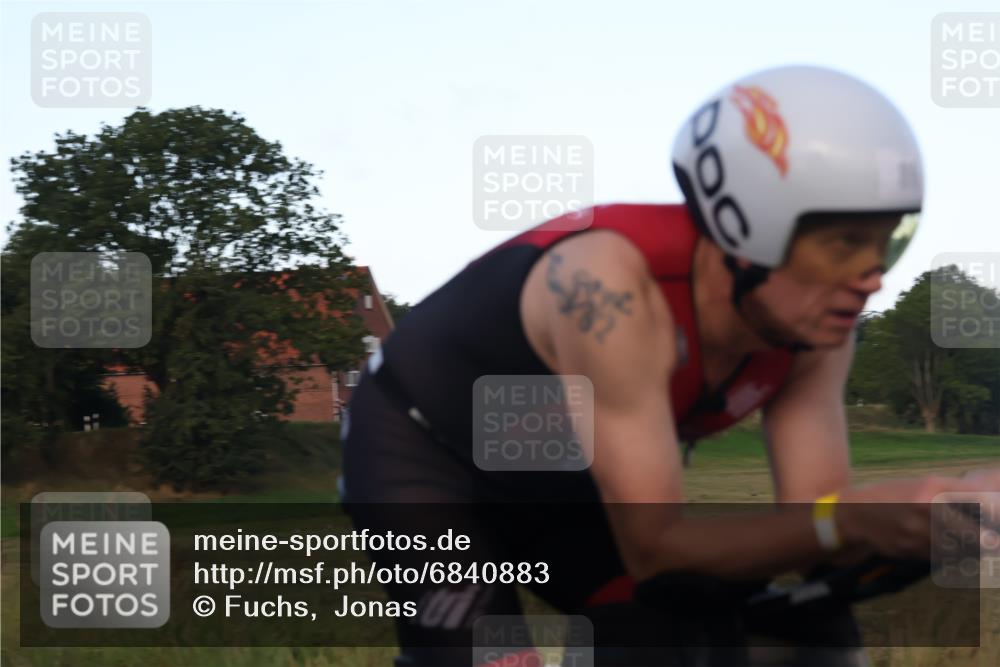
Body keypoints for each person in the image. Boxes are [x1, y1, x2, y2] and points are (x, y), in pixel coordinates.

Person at [342, 65, 995, 666]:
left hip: (562, 466)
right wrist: (844, 519)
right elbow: (657, 548)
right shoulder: (612, 291)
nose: (870, 280)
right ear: (747, 228)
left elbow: (820, 527)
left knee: (694, 623)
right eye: (843, 244)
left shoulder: (816, 325)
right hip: (425, 454)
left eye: (890, 242)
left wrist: (952, 511)